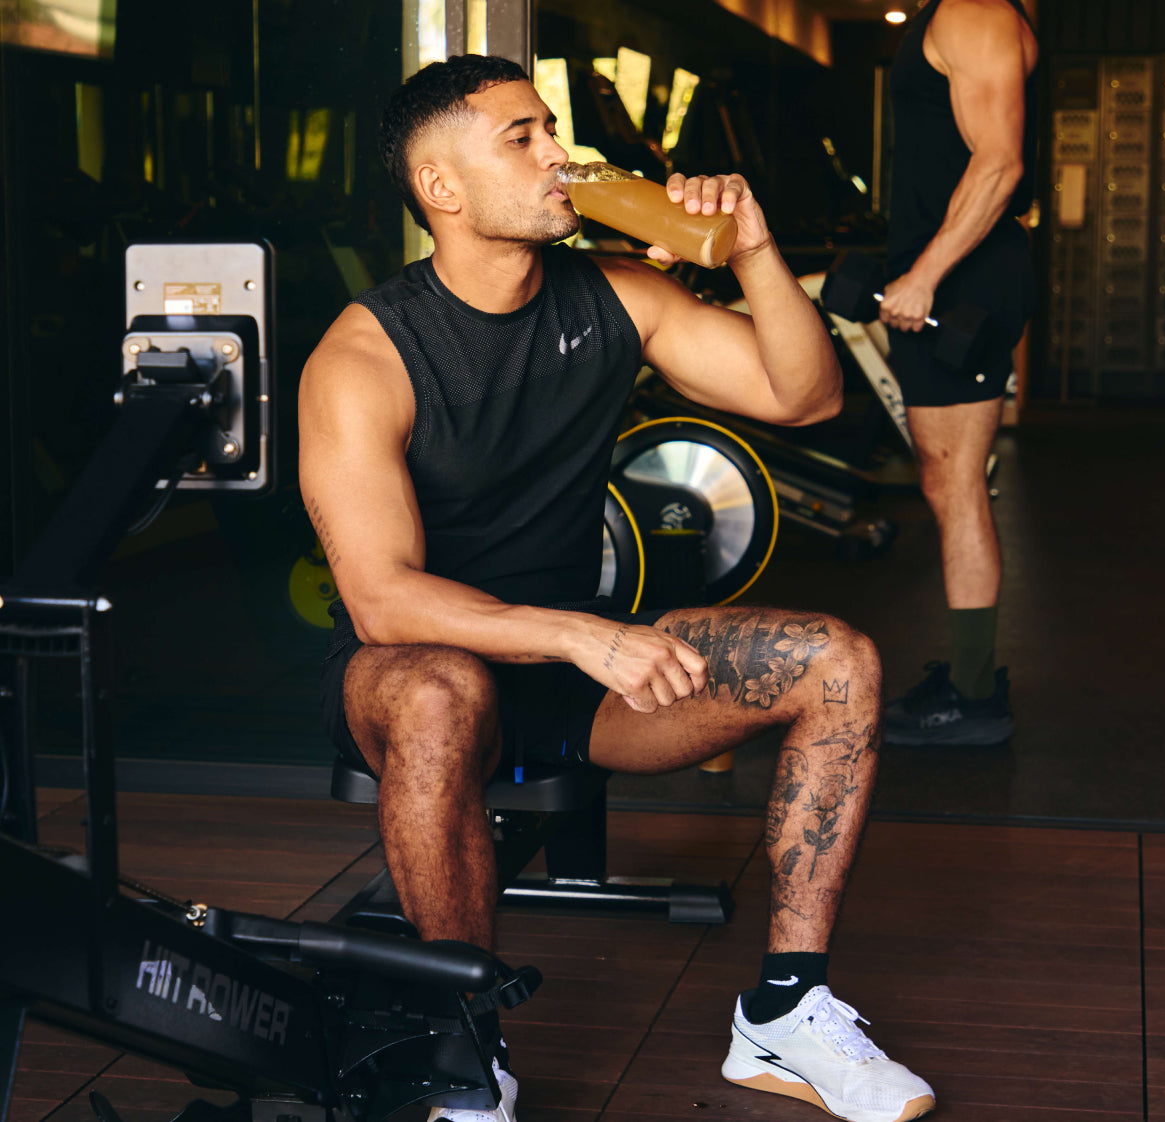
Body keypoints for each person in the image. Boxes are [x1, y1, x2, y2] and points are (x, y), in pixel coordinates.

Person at [299, 55, 935, 1122]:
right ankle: (466, 1052)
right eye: (522, 138)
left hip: (569, 679)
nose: (560, 153)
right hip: (416, 674)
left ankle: (784, 1011)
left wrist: (755, 245)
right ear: (440, 189)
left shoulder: (616, 297)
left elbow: (805, 394)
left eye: (551, 127)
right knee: (437, 688)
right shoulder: (366, 355)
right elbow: (381, 600)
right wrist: (584, 637)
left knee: (838, 663)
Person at [878, 0, 1038, 746]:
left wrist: (926, 275)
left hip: (961, 281)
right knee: (945, 480)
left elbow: (1000, 159)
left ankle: (975, 699)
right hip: (954, 274)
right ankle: (971, 681)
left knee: (958, 481)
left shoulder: (974, 10)